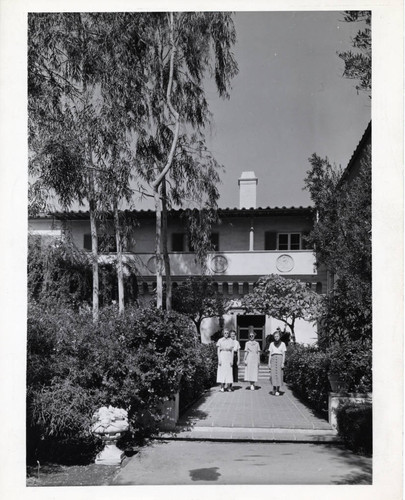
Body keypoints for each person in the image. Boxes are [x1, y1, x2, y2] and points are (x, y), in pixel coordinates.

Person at [268, 329, 287, 396]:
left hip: (279, 359)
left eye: (277, 336)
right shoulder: (271, 344)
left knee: (279, 374)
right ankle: (273, 388)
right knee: (273, 375)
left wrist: (283, 363)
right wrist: (269, 363)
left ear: (280, 336)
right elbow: (270, 354)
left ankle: (277, 389)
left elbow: (283, 354)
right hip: (273, 359)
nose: (276, 337)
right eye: (275, 336)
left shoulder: (283, 344)